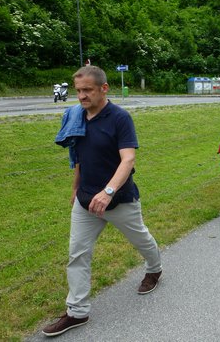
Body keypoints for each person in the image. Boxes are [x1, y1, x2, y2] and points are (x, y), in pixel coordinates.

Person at [44, 66, 162, 337]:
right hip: (86, 201)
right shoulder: (76, 117)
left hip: (119, 200)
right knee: (77, 253)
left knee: (141, 239)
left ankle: (154, 269)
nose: (82, 96)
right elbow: (79, 156)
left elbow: (128, 159)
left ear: (104, 89)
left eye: (88, 90)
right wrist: (76, 188)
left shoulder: (119, 118)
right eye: (78, 91)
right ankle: (77, 311)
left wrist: (108, 191)